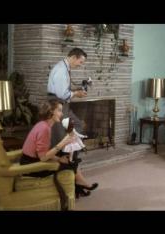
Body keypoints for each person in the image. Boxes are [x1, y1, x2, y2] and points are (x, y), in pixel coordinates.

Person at [46, 48, 98, 193]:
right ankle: (73, 171)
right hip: (58, 105)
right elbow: (62, 94)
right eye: (80, 62)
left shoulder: (63, 68)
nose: (80, 65)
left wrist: (75, 90)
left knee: (72, 134)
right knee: (75, 130)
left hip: (60, 104)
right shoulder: (62, 70)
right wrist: (77, 93)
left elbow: (62, 89)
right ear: (74, 57)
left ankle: (74, 171)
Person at [19, 100, 81, 210]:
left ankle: (78, 186)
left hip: (30, 159)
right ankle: (65, 201)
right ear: (51, 111)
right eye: (59, 110)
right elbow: (43, 157)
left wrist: (58, 158)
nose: (62, 114)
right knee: (70, 164)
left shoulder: (43, 125)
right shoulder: (44, 129)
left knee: (68, 157)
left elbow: (43, 152)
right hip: (31, 165)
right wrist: (63, 143)